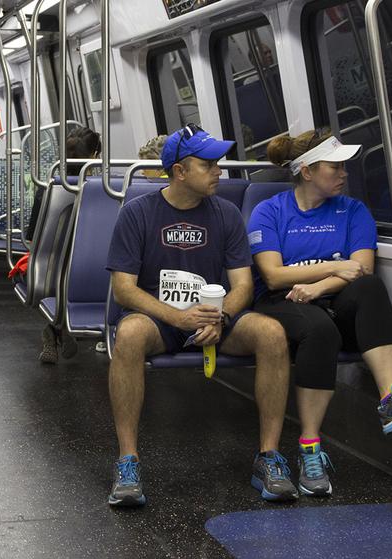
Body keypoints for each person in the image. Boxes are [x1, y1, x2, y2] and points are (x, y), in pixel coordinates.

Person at [105, 124, 296, 506]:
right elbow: (123, 289)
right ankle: (128, 462)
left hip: (214, 316)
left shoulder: (225, 214)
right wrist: (178, 318)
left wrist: (219, 318)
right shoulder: (137, 214)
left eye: (218, 164)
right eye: (208, 165)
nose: (218, 172)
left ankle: (269, 457)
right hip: (162, 319)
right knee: (128, 335)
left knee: (272, 333)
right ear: (179, 171)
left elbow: (242, 285)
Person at [246, 130, 392, 497]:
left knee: (369, 288)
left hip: (329, 298)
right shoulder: (269, 212)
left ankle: (391, 397)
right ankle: (310, 448)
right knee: (321, 331)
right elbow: (273, 276)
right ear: (307, 171)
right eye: (334, 167)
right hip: (281, 302)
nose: (343, 173)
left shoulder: (353, 211)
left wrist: (318, 286)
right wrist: (334, 270)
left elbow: (361, 269)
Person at [35, 127, 102, 364]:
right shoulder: (107, 189)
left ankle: (56, 328)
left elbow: (33, 233)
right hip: (97, 263)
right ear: (94, 156)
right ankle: (59, 327)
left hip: (52, 263)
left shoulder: (49, 189)